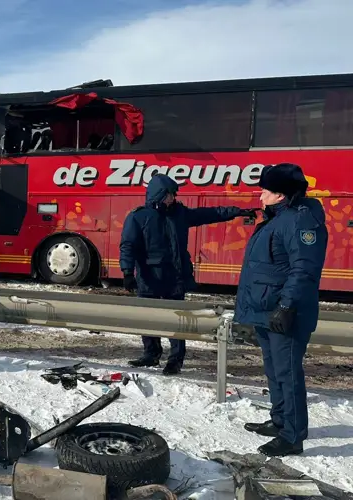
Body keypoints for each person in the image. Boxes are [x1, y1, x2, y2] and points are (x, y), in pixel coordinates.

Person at [120, 173, 257, 374]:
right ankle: (151, 354)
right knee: (148, 318)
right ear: (158, 195)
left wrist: (236, 211)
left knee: (178, 320)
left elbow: (209, 213)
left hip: (175, 277)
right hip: (149, 277)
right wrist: (126, 271)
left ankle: (175, 360)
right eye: (169, 195)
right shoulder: (139, 217)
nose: (173, 199)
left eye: (173, 195)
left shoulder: (179, 214)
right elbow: (128, 245)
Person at [236, 163, 327, 458]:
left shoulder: (300, 221)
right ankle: (279, 421)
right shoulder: (279, 218)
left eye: (265, 190)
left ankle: (292, 435)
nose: (260, 196)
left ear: (281, 195)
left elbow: (304, 269)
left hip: (286, 312)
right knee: (274, 371)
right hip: (267, 310)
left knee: (288, 373)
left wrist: (287, 306)